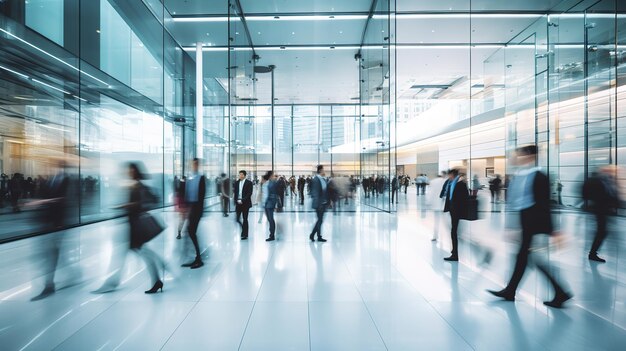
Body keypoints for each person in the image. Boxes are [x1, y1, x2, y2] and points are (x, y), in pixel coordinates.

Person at [488, 145, 572, 308]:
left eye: (518, 155)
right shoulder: (519, 176)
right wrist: (512, 226)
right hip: (524, 222)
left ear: (529, 156)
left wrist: (553, 231)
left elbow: (544, 205)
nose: (515, 158)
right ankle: (512, 290)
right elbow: (514, 203)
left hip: (534, 224)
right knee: (524, 258)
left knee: (528, 258)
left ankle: (559, 291)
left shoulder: (539, 176)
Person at [95, 162, 165, 294]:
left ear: (136, 172)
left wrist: (125, 206)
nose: (129, 173)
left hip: (136, 226)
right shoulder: (134, 186)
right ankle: (158, 274)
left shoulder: (139, 186)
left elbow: (140, 204)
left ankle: (112, 283)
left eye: (131, 171)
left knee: (131, 253)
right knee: (138, 252)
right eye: (129, 171)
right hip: (132, 224)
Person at [582, 166, 620, 263]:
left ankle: (593, 253)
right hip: (600, 208)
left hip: (601, 209)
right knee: (602, 231)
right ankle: (593, 253)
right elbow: (601, 195)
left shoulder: (600, 181)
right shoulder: (597, 182)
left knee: (602, 231)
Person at [183, 158, 205, 269]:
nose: (194, 166)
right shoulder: (189, 178)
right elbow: (186, 194)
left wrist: (193, 209)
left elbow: (201, 196)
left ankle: (198, 258)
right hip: (190, 209)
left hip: (196, 210)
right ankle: (196, 257)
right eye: (192, 164)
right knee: (190, 232)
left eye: (196, 164)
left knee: (191, 231)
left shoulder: (200, 178)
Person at [443, 168, 468, 261]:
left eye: (449, 175)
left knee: (454, 232)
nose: (448, 177)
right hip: (453, 211)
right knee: (453, 232)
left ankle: (455, 255)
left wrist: (457, 209)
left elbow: (464, 198)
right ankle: (454, 252)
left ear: (452, 175)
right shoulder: (452, 183)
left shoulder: (460, 184)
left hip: (457, 211)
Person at [309, 165, 329, 242]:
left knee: (320, 220)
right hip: (319, 204)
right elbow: (315, 193)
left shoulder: (323, 179)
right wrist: (319, 204)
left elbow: (325, 191)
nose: (324, 171)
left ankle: (316, 235)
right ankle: (314, 235)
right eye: (323, 170)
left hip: (323, 203)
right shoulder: (316, 180)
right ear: (320, 170)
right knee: (320, 220)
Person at [427, 171, 448, 242]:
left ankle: (435, 236)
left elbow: (430, 193)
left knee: (436, 221)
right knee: (447, 221)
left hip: (436, 205)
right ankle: (450, 235)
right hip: (444, 205)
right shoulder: (446, 181)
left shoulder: (433, 182)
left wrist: (429, 202)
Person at [234, 170, 253, 240]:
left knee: (245, 219)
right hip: (238, 203)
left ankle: (245, 234)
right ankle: (243, 229)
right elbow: (235, 193)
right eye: (239, 174)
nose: (240, 176)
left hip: (245, 203)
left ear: (244, 175)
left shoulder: (249, 183)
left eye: (241, 174)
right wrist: (236, 201)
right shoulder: (236, 183)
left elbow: (249, 193)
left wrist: (242, 200)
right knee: (237, 219)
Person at [263, 171, 279, 241]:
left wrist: (275, 204)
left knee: (270, 219)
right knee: (270, 219)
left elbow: (275, 194)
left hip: (269, 203)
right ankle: (272, 234)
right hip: (268, 203)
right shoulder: (268, 182)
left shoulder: (273, 183)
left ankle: (272, 235)